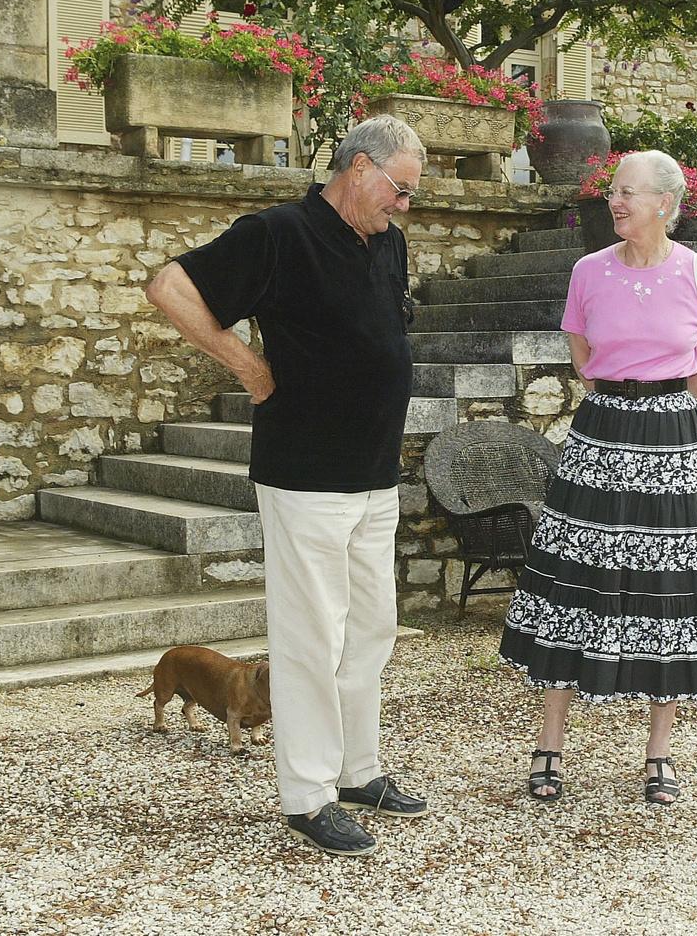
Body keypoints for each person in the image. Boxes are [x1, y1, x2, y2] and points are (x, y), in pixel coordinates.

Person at [146, 115, 428, 857]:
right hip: (305, 474)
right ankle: (309, 796)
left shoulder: (387, 241)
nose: (404, 205)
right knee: (311, 637)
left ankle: (359, 769)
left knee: (369, 630)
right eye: (399, 189)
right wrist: (246, 366)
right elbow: (170, 286)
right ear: (359, 168)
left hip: (373, 473)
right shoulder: (278, 232)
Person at [498, 150, 697, 805]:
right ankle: (549, 747)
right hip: (601, 431)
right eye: (614, 192)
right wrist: (618, 398)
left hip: (673, 439)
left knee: (668, 587)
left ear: (665, 205)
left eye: (628, 193)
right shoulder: (588, 269)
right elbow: (581, 351)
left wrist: (669, 403)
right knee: (574, 581)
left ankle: (659, 757)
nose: (615, 202)